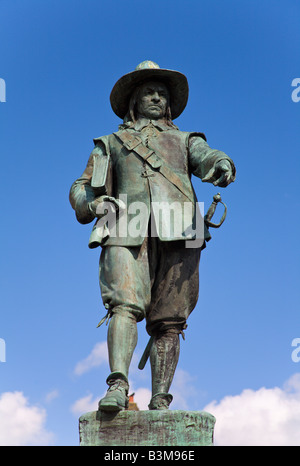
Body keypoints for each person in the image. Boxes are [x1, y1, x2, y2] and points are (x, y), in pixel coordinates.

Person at [69, 61, 236, 411]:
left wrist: (222, 164)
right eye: (149, 92)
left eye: (162, 93)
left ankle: (161, 399)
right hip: (124, 222)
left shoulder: (186, 140)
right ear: (134, 100)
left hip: (183, 226)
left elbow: (208, 157)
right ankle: (117, 385)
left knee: (171, 319)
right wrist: (94, 203)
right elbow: (80, 187)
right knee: (124, 304)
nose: (157, 98)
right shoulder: (111, 142)